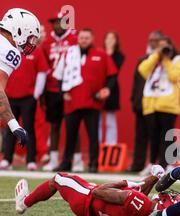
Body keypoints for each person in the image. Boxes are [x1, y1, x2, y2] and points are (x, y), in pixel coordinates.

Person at [14, 165, 180, 216]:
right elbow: (138, 202)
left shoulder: (139, 202)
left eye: (171, 199)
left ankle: (24, 203)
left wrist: (124, 182)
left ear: (166, 204)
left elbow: (98, 191)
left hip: (88, 199)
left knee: (58, 178)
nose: (167, 195)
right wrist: (152, 178)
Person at [55, 28, 118, 173]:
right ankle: (66, 163)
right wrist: (63, 92)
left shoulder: (101, 54)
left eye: (87, 38)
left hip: (92, 102)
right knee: (70, 135)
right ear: (78, 38)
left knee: (93, 136)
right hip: (72, 102)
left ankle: (94, 164)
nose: (84, 40)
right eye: (82, 37)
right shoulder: (69, 53)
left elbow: (112, 75)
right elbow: (58, 75)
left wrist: (107, 89)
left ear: (92, 39)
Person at [138, 35, 180, 170]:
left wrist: (166, 59)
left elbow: (175, 76)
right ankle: (152, 163)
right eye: (160, 45)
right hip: (151, 103)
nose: (163, 48)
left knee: (167, 135)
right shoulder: (153, 59)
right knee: (153, 135)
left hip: (168, 104)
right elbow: (142, 70)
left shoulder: (177, 59)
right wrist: (156, 55)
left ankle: (168, 163)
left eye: (165, 45)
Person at [0, 36, 49, 171]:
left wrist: (36, 94)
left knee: (29, 128)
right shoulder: (7, 48)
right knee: (10, 128)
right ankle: (7, 159)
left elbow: (42, 72)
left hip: (28, 96)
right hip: (9, 95)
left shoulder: (34, 51)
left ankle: (31, 160)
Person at [40, 11, 79, 172]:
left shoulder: (74, 40)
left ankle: (77, 161)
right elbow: (43, 66)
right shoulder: (47, 42)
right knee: (54, 125)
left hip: (69, 88)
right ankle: (54, 159)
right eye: (55, 22)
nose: (58, 25)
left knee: (72, 125)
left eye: (61, 22)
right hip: (52, 88)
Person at [0, 8, 41, 149]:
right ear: (19, 30)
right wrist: (14, 125)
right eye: (30, 37)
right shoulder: (9, 50)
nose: (31, 43)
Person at [130, 30, 164, 174]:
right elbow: (137, 82)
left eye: (156, 40)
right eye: (151, 40)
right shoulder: (143, 59)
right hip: (142, 102)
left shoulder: (166, 60)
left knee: (158, 135)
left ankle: (160, 163)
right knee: (141, 135)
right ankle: (138, 164)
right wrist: (135, 100)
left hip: (158, 104)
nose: (153, 43)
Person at [100, 31, 125, 144]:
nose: (109, 41)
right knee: (97, 120)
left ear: (116, 41)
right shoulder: (99, 53)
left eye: (112, 38)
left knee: (110, 120)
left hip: (112, 89)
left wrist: (109, 53)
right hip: (98, 88)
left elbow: (114, 70)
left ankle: (111, 144)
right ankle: (98, 144)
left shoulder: (119, 56)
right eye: (108, 38)